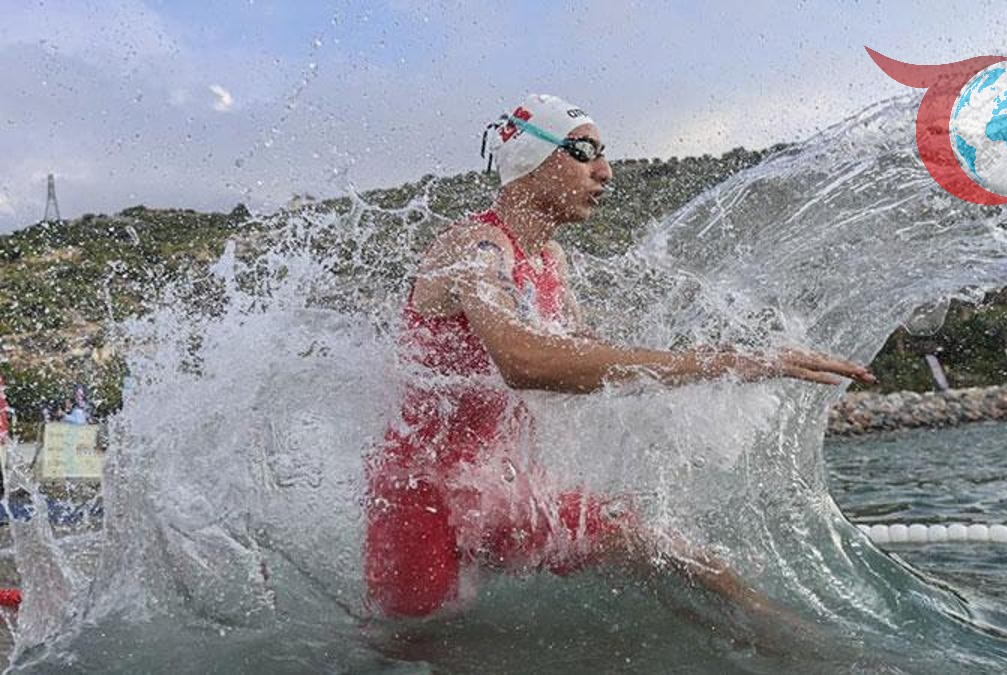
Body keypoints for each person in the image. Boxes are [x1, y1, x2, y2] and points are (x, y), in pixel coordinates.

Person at [365, 95, 874, 631]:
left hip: (503, 483)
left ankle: (810, 653)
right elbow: (524, 361)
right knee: (415, 644)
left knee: (673, 557)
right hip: (424, 496)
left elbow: (590, 360)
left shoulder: (549, 261)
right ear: (531, 158)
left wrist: (743, 363)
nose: (605, 171)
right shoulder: (476, 248)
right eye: (585, 152)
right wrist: (719, 361)